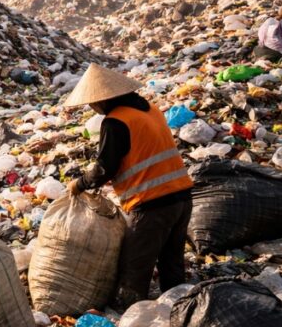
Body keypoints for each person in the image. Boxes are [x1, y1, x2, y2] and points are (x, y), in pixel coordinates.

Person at [64, 63, 193, 308]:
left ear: (105, 99)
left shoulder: (116, 121)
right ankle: (181, 310)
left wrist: (80, 184)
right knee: (172, 262)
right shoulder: (149, 109)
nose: (92, 108)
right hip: (182, 196)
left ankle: (132, 319)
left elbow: (105, 167)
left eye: (93, 103)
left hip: (152, 204)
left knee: (135, 265)